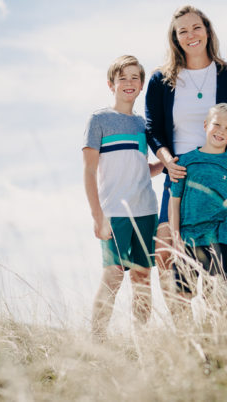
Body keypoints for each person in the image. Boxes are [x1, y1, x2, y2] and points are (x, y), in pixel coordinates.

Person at [145, 5, 227, 301]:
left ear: (207, 30)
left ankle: (220, 338)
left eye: (196, 27)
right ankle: (184, 342)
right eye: (182, 30)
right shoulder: (161, 80)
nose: (191, 35)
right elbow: (152, 128)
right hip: (182, 172)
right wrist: (168, 161)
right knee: (167, 253)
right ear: (175, 38)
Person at [82, 55, 164, 338]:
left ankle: (141, 340)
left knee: (142, 277)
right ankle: (97, 339)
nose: (129, 83)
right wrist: (97, 216)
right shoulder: (99, 120)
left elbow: (142, 168)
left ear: (141, 85)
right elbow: (89, 171)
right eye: (122, 78)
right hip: (114, 211)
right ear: (111, 84)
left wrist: (164, 164)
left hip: (146, 210)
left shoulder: (143, 125)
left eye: (134, 78)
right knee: (114, 274)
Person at [168, 103, 227, 300]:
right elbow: (175, 201)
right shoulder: (185, 161)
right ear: (205, 125)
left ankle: (223, 331)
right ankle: (187, 331)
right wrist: (176, 237)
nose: (221, 131)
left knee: (219, 296)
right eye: (217, 124)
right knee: (182, 296)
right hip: (187, 238)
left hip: (219, 239)